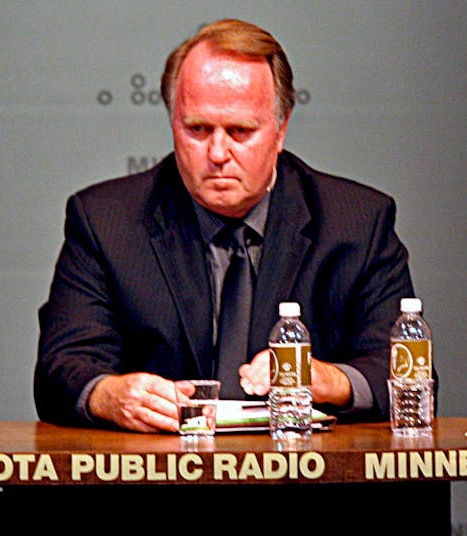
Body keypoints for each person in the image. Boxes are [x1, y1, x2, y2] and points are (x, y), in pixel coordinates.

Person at [35, 19, 418, 432]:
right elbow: (62, 367)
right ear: (172, 122)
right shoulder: (105, 220)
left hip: (306, 479)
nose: (218, 152)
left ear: (281, 127)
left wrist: (329, 379)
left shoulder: (356, 222)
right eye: (197, 129)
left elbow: (407, 375)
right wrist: (109, 395)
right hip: (159, 477)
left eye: (240, 131)